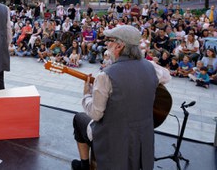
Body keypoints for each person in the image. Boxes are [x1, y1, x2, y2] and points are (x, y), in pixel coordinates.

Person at [71, 25, 170, 170]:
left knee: (78, 119)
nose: (106, 44)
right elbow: (166, 76)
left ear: (119, 46)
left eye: (110, 40)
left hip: (113, 137)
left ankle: (84, 165)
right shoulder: (151, 67)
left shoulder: (105, 75)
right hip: (142, 136)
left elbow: (96, 114)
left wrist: (87, 94)